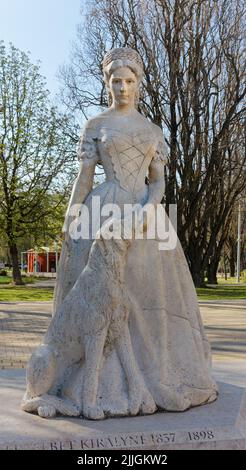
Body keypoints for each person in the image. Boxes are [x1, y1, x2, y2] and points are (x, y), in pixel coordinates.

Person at [23, 47, 217, 419]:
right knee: (96, 301)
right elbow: (83, 178)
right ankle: (89, 385)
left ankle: (148, 375)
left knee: (145, 298)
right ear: (107, 83)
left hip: (144, 216)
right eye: (116, 81)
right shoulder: (95, 125)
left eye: (129, 81)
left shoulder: (152, 131)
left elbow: (158, 184)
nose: (123, 87)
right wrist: (71, 216)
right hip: (101, 211)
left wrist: (144, 214)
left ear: (139, 84)